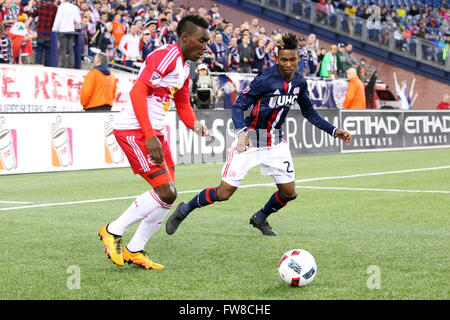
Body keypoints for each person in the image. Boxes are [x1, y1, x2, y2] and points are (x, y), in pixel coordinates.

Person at [165, 32, 352, 237]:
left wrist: (334, 131)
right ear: (277, 59)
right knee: (223, 193)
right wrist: (242, 133)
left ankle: (260, 217)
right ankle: (185, 209)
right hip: (251, 141)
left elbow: (309, 112)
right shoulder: (265, 79)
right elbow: (238, 106)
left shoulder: (299, 82)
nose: (288, 64)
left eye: (292, 60)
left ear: (298, 60)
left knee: (289, 193)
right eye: (284, 60)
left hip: (276, 143)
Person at [98, 14, 212, 269]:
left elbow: (182, 103)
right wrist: (149, 135)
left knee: (168, 195)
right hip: (134, 131)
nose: (206, 47)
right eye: (201, 41)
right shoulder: (167, 56)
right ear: (185, 37)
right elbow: (138, 91)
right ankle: (112, 231)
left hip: (152, 132)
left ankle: (134, 250)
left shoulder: (183, 67)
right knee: (166, 192)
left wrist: (195, 126)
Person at [52, 0, 81, 68]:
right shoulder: (74, 7)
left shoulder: (62, 7)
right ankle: (71, 65)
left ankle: (63, 65)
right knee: (70, 49)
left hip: (63, 30)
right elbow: (78, 20)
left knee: (63, 49)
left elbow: (58, 19)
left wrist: (54, 29)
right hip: (71, 30)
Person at [28, 0, 57, 67]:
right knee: (48, 55)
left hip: (40, 34)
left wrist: (26, 27)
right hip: (50, 35)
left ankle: (37, 69)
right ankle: (47, 70)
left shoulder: (41, 7)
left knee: (39, 53)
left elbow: (32, 16)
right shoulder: (55, 9)